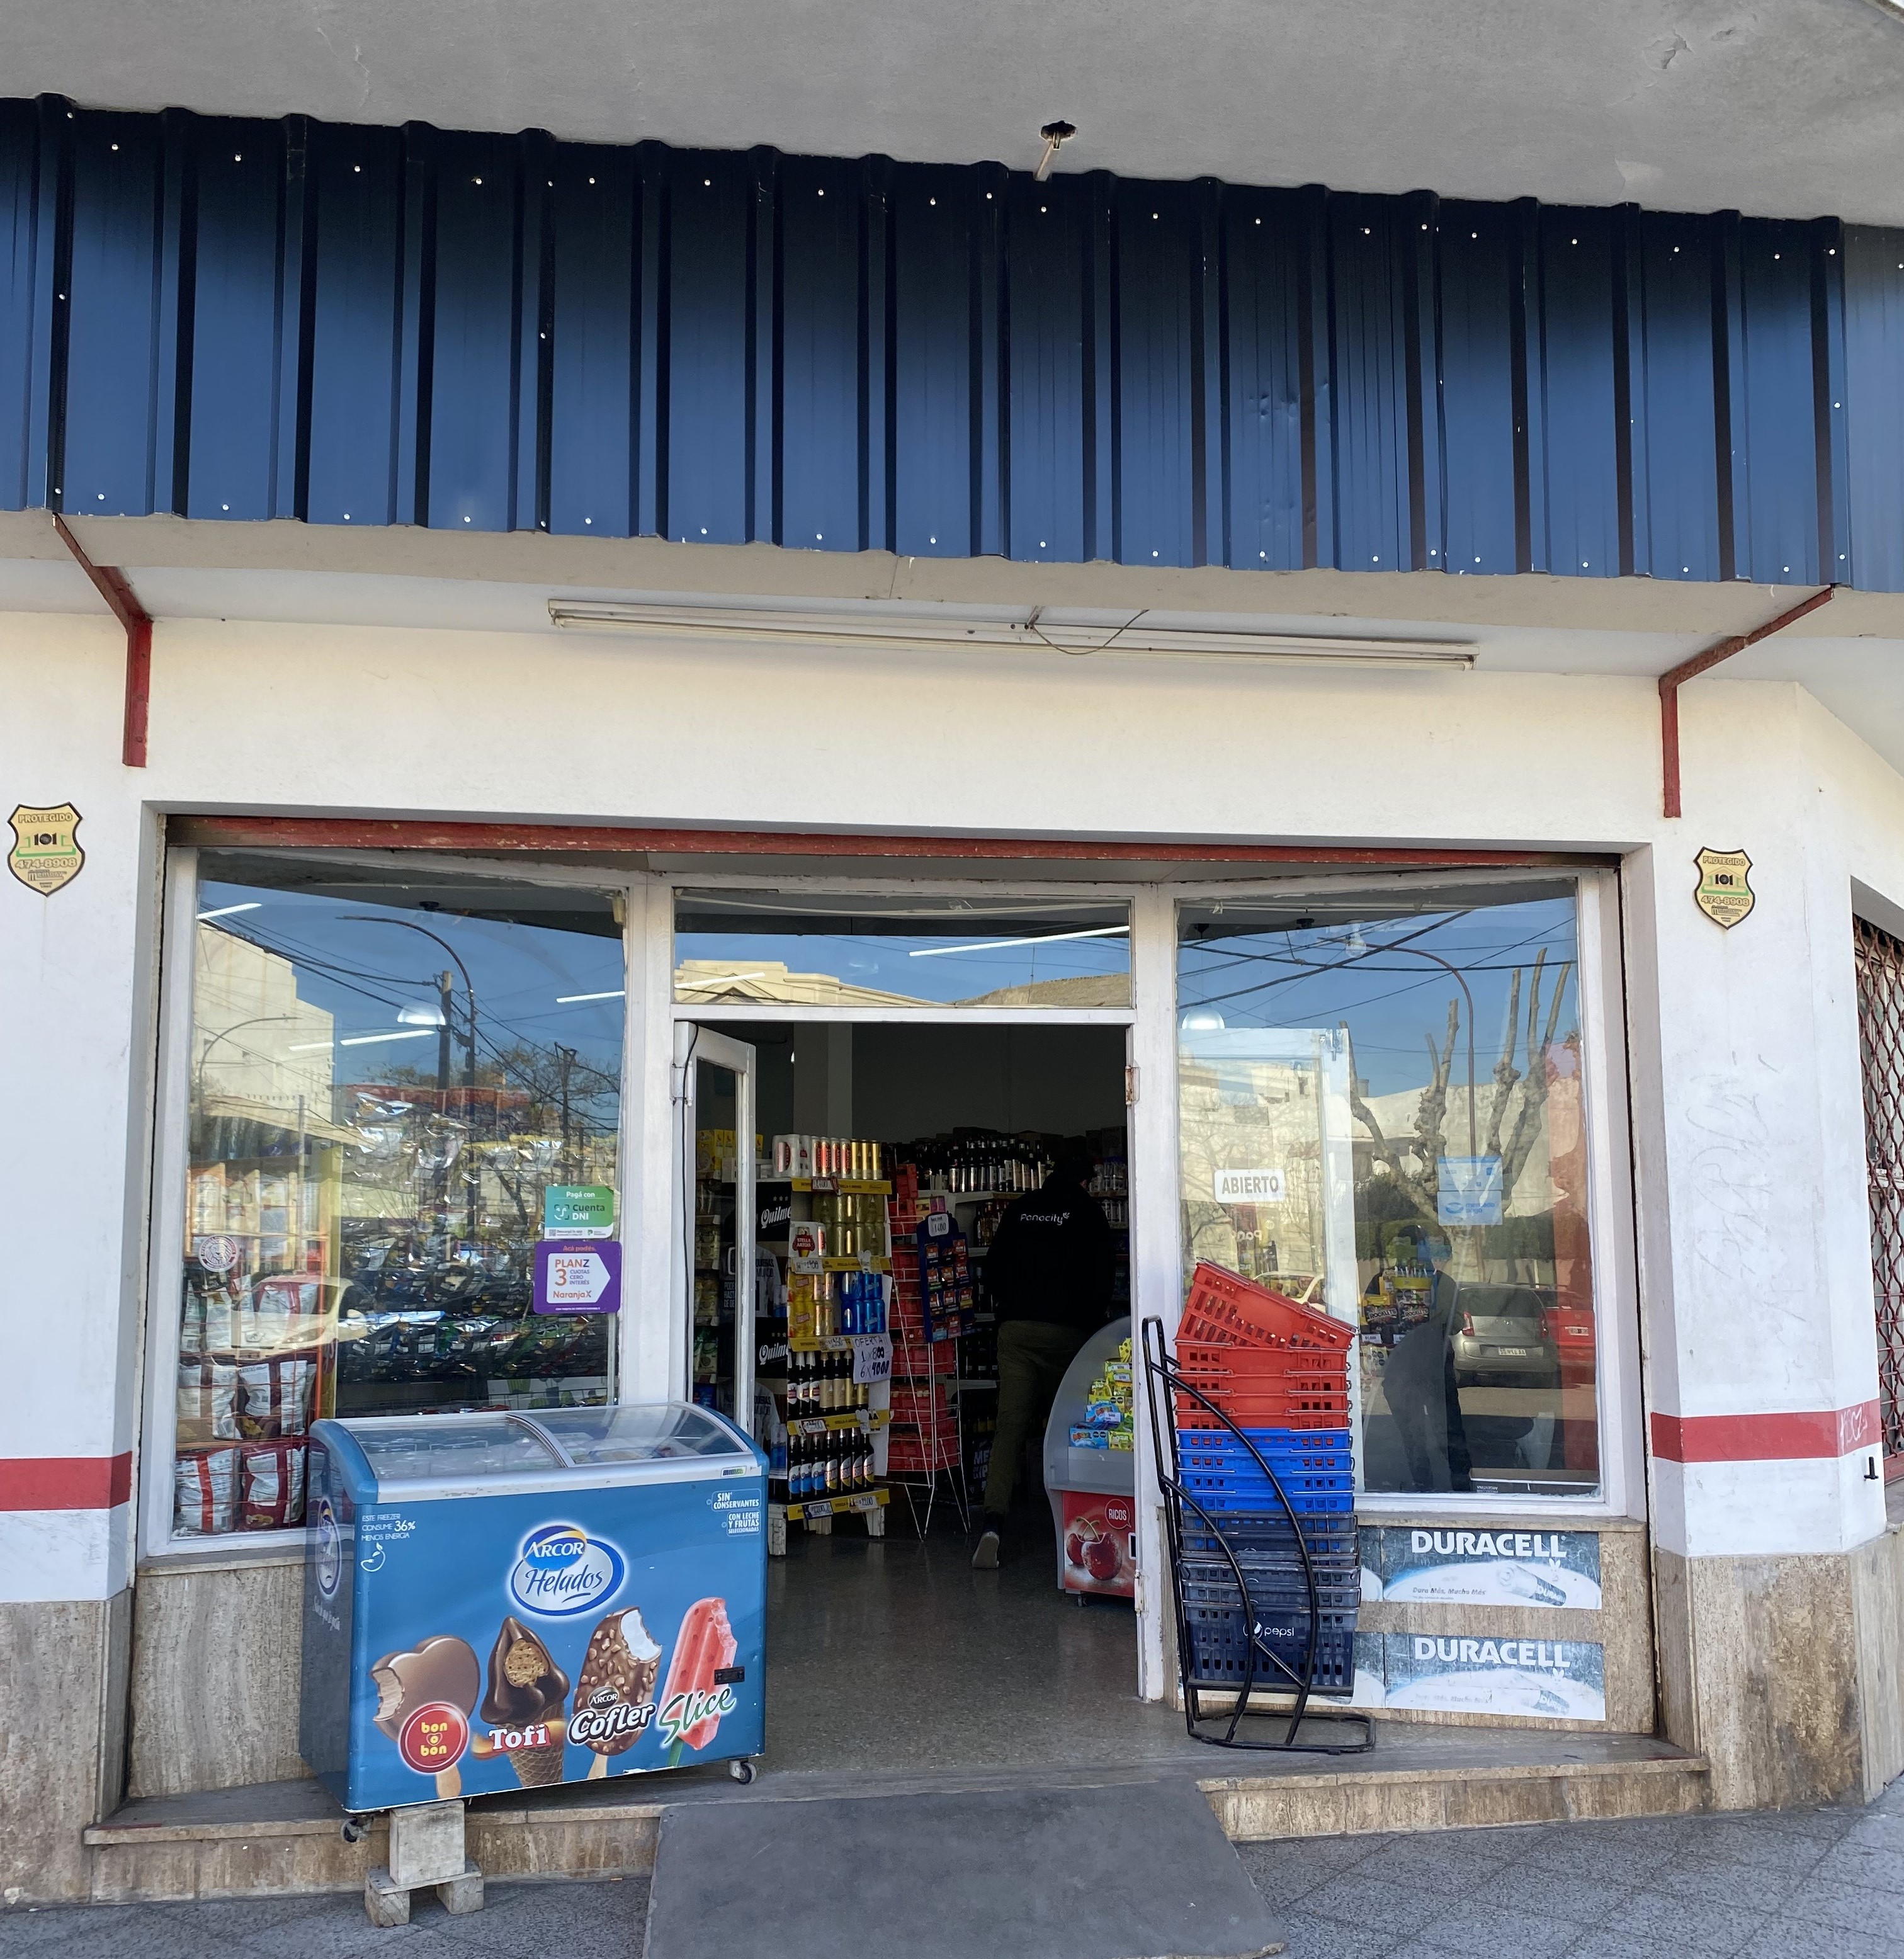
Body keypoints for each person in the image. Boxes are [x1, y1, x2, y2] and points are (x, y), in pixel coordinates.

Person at [971, 1145, 1116, 1569]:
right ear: (1085, 1181)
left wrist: (1012, 1307)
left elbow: (992, 1268)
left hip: (1017, 1332)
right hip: (1069, 1336)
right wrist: (1091, 1322)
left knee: (1009, 1428)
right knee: (1076, 1429)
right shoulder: (1088, 1213)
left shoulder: (1021, 1209)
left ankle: (992, 1526)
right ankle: (1082, 1527)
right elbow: (1103, 1278)